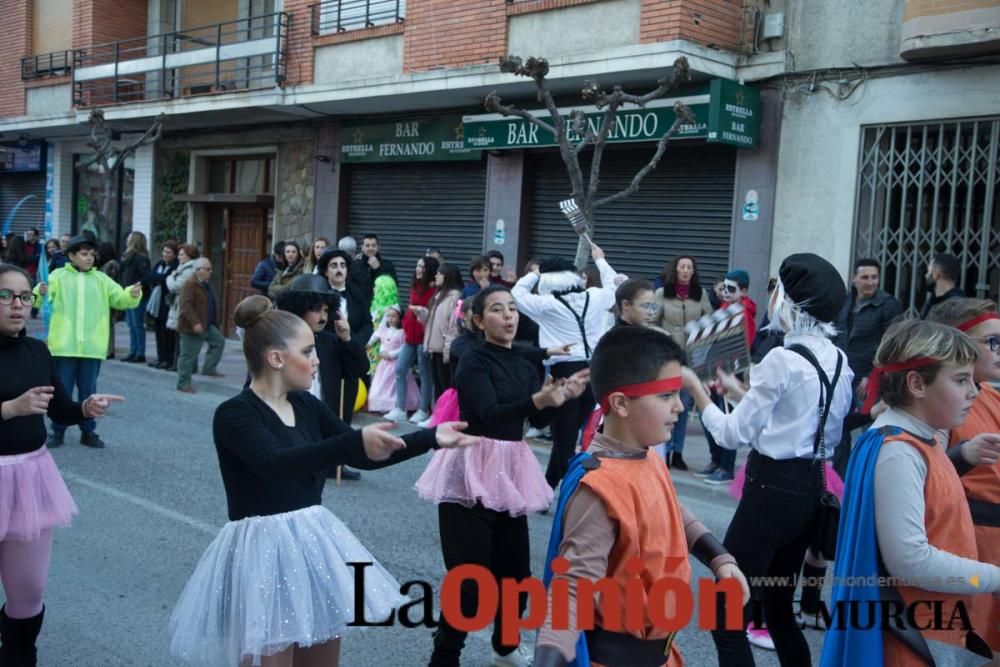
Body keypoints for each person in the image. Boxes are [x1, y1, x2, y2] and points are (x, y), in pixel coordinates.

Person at [168, 295, 478, 667]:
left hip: (311, 547)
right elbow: (276, 464)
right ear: (276, 358)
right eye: (308, 351)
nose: (317, 360)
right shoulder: (234, 415)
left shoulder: (305, 405)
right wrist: (350, 441)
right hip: (260, 555)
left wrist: (431, 438)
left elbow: (361, 452)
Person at [533, 325, 749, 667]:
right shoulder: (600, 488)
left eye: (679, 394)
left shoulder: (646, 457)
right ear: (620, 403)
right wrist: (549, 660)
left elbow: (671, 512)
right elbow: (571, 591)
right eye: (666, 396)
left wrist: (719, 557)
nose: (680, 408)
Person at [681, 253, 853, 666]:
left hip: (769, 491)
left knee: (726, 610)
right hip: (811, 490)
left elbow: (731, 434)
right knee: (777, 608)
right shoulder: (839, 360)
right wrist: (738, 394)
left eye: (777, 288)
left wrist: (696, 389)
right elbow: (811, 425)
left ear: (789, 302)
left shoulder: (781, 359)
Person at [415, 285, 589, 667]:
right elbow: (491, 414)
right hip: (471, 467)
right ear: (478, 320)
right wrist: (538, 401)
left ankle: (506, 647)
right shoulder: (472, 361)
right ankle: (444, 657)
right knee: (471, 581)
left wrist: (561, 398)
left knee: (515, 574)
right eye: (497, 310)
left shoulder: (525, 365)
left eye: (512, 309)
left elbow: (535, 418)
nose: (509, 316)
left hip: (510, 470)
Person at [821, 319, 1000, 667]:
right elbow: (910, 561)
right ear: (917, 383)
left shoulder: (923, 438)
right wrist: (993, 577)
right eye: (961, 380)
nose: (974, 393)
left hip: (931, 628)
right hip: (911, 639)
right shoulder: (899, 450)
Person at [0, 264, 124, 666]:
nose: (17, 305)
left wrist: (85, 407)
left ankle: (19, 656)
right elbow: (18, 407)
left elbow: (60, 407)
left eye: (24, 297)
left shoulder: (37, 350)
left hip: (30, 478)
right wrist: (9, 409)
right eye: (6, 296)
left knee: (29, 589)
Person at [511, 244, 620, 490]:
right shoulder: (594, 296)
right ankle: (548, 488)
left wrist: (534, 274)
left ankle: (562, 490)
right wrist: (601, 260)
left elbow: (516, 294)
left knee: (564, 438)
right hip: (594, 372)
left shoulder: (547, 304)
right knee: (568, 436)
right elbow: (614, 285)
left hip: (565, 373)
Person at [927, 298, 1000, 651]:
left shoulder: (991, 396)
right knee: (968, 647)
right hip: (969, 543)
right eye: (992, 342)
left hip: (995, 545)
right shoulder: (942, 402)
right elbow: (923, 477)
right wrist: (962, 455)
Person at [33, 234, 141, 449]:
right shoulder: (58, 276)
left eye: (92, 254)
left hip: (91, 347)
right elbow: (41, 298)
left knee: (89, 392)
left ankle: (88, 431)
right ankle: (57, 430)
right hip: (64, 346)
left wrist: (132, 293)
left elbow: (120, 299)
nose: (89, 258)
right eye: (84, 254)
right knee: (62, 391)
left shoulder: (101, 279)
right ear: (71, 256)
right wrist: (40, 291)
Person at [832, 258, 903, 476]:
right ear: (854, 279)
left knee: (872, 429)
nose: (870, 282)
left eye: (874, 277)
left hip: (868, 379)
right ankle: (839, 480)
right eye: (865, 277)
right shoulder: (844, 302)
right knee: (840, 428)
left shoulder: (889, 305)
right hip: (843, 374)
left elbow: (891, 345)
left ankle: (874, 476)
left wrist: (871, 375)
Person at [275, 274, 369, 430]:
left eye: (326, 310)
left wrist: (347, 339)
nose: (323, 317)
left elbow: (359, 368)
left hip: (322, 423)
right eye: (316, 310)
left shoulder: (330, 342)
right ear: (299, 308)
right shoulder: (279, 341)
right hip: (288, 423)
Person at [656, 256, 713, 470]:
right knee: (665, 403)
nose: (686, 270)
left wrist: (700, 338)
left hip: (692, 356)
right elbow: (653, 320)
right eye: (682, 267)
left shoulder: (701, 294)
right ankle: (663, 448)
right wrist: (665, 337)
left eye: (690, 267)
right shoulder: (663, 293)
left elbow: (709, 320)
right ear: (676, 269)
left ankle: (677, 451)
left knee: (684, 405)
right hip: (668, 355)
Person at [385, 255, 438, 424]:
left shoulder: (433, 289)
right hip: (410, 337)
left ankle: (424, 409)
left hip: (424, 337)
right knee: (400, 369)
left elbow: (428, 312)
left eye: (422, 266)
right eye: (417, 266)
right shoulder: (415, 285)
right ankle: (400, 408)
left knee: (425, 373)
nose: (418, 269)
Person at [175, 258, 225, 394]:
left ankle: (209, 368)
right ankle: (183, 383)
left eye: (210, 269)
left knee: (219, 341)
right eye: (208, 269)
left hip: (207, 324)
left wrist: (214, 322)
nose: (210, 272)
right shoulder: (190, 284)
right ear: (198, 270)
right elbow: (186, 306)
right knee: (188, 355)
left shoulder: (205, 284)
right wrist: (195, 323)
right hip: (191, 326)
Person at [423, 264, 464, 411]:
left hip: (445, 349)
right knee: (438, 385)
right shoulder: (439, 295)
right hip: (435, 347)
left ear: (448, 276)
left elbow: (453, 327)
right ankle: (437, 415)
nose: (436, 276)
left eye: (440, 273)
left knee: (445, 386)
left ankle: (445, 416)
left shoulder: (455, 297)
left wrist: (448, 349)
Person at [318, 249, 374, 352]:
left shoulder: (357, 293)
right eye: (334, 266)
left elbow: (367, 324)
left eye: (343, 266)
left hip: (353, 351)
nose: (339, 270)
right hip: (327, 352)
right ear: (326, 271)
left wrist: (354, 343)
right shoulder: (319, 294)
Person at [367, 306, 419, 414]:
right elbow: (382, 343)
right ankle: (380, 405)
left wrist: (392, 354)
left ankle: (396, 405)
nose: (390, 319)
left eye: (394, 316)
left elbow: (404, 347)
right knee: (380, 385)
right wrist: (383, 352)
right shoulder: (384, 331)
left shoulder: (402, 332)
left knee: (395, 386)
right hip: (384, 365)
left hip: (396, 363)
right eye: (388, 316)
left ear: (400, 318)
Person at [165, 244, 201, 372]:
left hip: (184, 305)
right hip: (178, 304)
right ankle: (178, 364)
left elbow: (175, 286)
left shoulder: (190, 270)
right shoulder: (182, 268)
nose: (179, 257)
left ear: (189, 256)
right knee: (179, 336)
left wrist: (169, 277)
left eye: (181, 254)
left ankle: (186, 366)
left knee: (185, 338)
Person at [119, 231, 152, 364]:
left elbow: (145, 276)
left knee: (137, 324)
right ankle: (133, 351)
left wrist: (138, 285)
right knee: (131, 324)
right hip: (128, 294)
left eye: (129, 238)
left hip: (137, 294)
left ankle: (140, 353)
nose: (127, 240)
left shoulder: (141, 258)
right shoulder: (127, 257)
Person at [146, 241, 180, 369]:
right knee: (158, 331)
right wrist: (159, 278)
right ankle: (160, 358)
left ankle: (168, 359)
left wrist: (159, 278)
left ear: (174, 255)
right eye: (164, 252)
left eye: (169, 252)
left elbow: (165, 280)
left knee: (168, 334)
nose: (165, 255)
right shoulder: (160, 264)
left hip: (167, 303)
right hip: (157, 302)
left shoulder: (175, 266)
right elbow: (150, 276)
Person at [368, 273, 401, 375]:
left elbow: (381, 330)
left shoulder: (390, 309)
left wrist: (367, 343)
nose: (373, 289)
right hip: (374, 346)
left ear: (383, 290)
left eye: (376, 287)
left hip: (383, 346)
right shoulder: (376, 307)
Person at [349, 234, 398, 300]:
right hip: (359, 306)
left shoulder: (388, 266)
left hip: (380, 306)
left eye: (373, 245)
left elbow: (393, 287)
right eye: (367, 245)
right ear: (362, 247)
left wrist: (378, 269)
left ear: (378, 247)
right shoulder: (355, 265)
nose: (370, 248)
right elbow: (349, 287)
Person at [920, 252, 964, 318]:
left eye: (928, 271)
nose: (926, 275)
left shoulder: (954, 307)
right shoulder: (931, 302)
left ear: (936, 273)